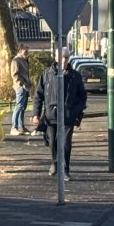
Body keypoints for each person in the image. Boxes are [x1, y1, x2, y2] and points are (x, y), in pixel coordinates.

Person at [32, 50, 86, 181]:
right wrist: (36, 114)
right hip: (51, 115)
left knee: (66, 144)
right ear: (56, 58)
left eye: (66, 58)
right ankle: (55, 163)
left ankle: (65, 169)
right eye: (61, 57)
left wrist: (76, 112)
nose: (64, 60)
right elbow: (38, 95)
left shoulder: (75, 76)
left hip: (68, 115)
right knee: (52, 142)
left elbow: (82, 97)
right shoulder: (46, 74)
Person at [11, 46, 31, 135]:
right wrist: (21, 84)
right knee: (19, 106)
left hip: (26, 86)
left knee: (23, 107)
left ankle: (21, 126)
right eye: (25, 51)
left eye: (27, 50)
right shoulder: (16, 60)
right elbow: (14, 74)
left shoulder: (24, 60)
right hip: (21, 87)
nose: (27, 52)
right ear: (20, 50)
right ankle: (14, 127)